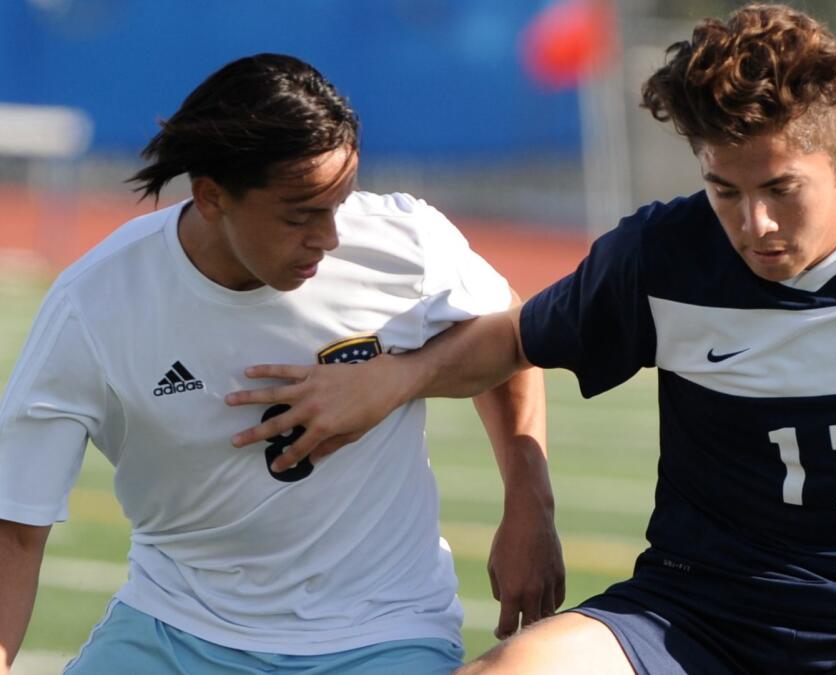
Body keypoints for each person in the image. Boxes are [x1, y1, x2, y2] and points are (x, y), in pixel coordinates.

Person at [226, 6, 836, 674]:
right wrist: (390, 381)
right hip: (694, 616)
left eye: (780, 189)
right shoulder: (663, 253)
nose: (753, 224)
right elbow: (514, 337)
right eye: (726, 190)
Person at [0, 53, 563, 675]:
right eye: (301, 215)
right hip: (174, 629)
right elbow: (14, 530)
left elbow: (511, 330)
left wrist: (527, 503)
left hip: (383, 629)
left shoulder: (402, 242)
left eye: (339, 204)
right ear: (212, 196)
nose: (330, 237)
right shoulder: (95, 303)